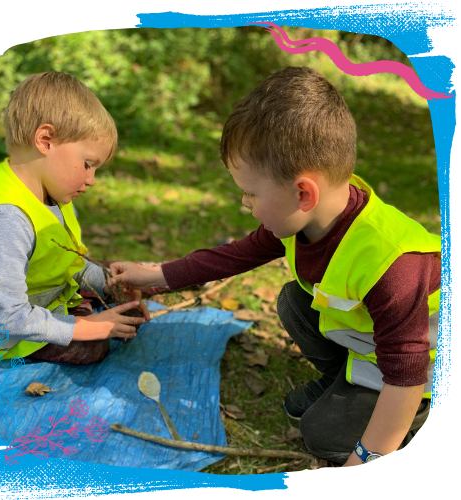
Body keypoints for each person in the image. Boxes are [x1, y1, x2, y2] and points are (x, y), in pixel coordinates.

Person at [108, 67, 441, 466]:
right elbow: (231, 257)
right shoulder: (310, 218)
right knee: (292, 301)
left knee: (324, 435)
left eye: (250, 192)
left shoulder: (393, 264)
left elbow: (407, 372)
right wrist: (157, 274)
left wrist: (369, 453)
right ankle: (343, 383)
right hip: (370, 345)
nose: (244, 204)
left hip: (421, 371)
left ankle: (415, 415)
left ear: (303, 192)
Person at [0, 72, 149, 363]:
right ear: (45, 140)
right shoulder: (6, 218)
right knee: (93, 346)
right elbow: (3, 316)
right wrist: (85, 327)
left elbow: (64, 260)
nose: (92, 180)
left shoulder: (52, 190)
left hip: (46, 300)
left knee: (120, 277)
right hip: (1, 329)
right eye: (87, 164)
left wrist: (106, 284)